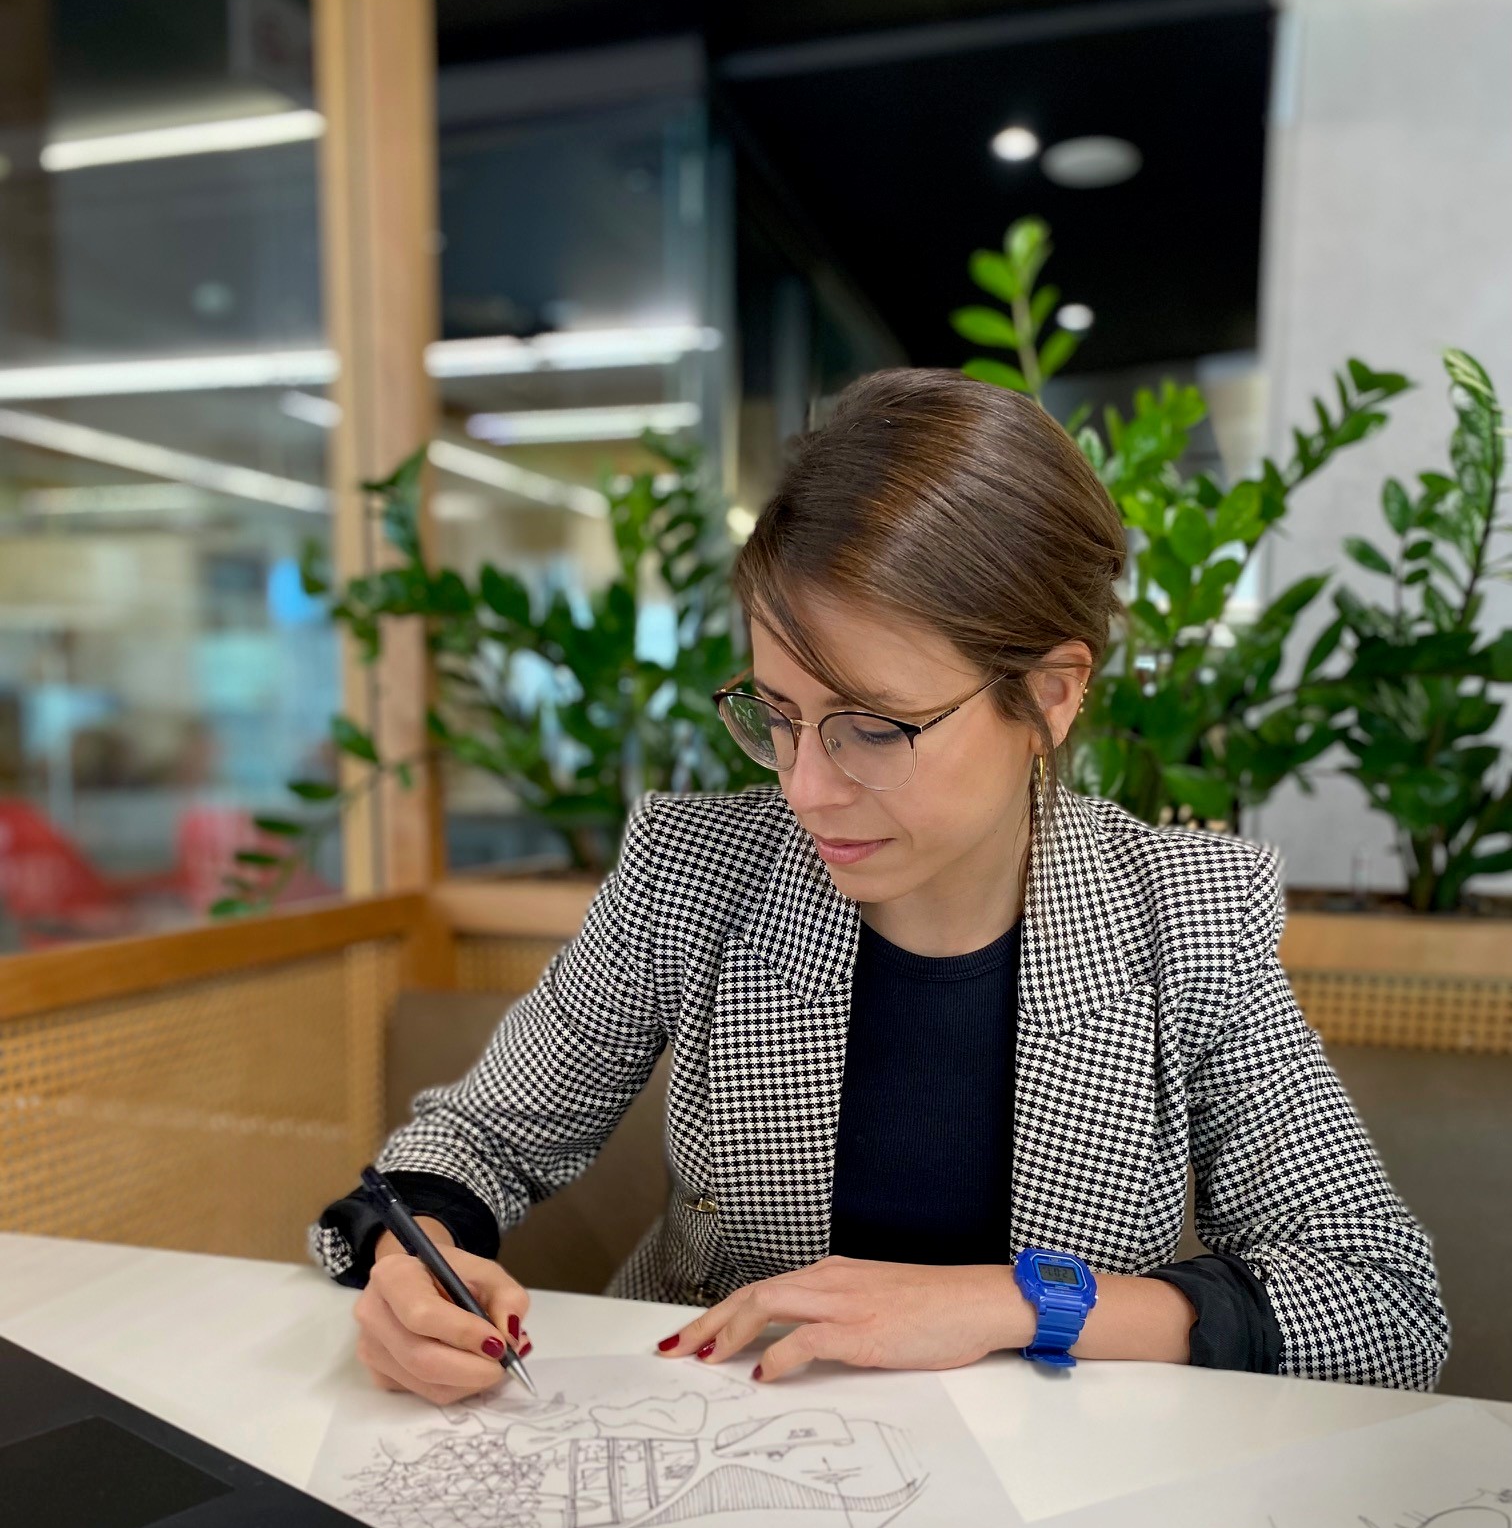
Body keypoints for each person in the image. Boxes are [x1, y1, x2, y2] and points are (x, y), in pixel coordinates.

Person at [313, 368, 1447, 1405]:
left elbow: (1384, 1302)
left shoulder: (1183, 915)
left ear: (1051, 694)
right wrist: (413, 1260)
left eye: (872, 726)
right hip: (716, 1441)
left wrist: (1011, 1300)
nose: (807, 788)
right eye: (778, 716)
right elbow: (479, 1140)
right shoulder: (696, 871)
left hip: (1056, 1504)